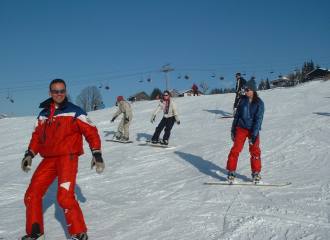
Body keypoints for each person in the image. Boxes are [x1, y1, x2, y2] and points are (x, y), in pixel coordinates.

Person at [20, 79, 105, 240]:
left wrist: (97, 153)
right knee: (32, 194)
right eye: (55, 91)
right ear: (50, 93)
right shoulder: (43, 114)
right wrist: (29, 154)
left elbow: (91, 132)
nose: (59, 94)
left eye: (62, 91)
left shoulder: (75, 111)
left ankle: (79, 234)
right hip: (49, 159)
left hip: (67, 157)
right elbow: (36, 137)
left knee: (64, 197)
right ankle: (35, 233)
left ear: (65, 92)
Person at [226, 78, 264, 184]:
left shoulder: (259, 103)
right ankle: (231, 172)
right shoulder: (242, 101)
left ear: (253, 90)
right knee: (235, 149)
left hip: (253, 130)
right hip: (241, 128)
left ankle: (256, 173)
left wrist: (255, 134)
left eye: (247, 90)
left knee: (255, 150)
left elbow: (258, 120)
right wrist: (233, 131)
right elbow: (237, 116)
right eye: (245, 90)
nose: (245, 91)